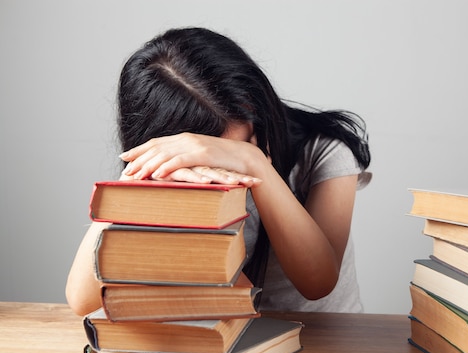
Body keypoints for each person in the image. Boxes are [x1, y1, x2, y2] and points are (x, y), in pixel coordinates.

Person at [65, 27, 371, 316]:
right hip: (224, 339)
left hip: (327, 341)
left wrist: (254, 163)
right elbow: (82, 299)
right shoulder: (170, 174)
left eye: (242, 146)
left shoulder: (325, 150)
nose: (229, 167)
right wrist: (131, 188)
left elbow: (317, 283)